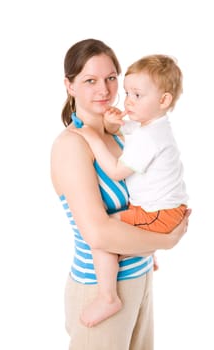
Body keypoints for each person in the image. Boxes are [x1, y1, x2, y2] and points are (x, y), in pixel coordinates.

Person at [50, 39, 191, 350]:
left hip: (138, 281)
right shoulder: (72, 145)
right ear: (69, 86)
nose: (104, 90)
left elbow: (144, 200)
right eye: (90, 81)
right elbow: (98, 234)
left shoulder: (126, 136)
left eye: (111, 78)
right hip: (98, 288)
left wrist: (148, 247)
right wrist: (165, 241)